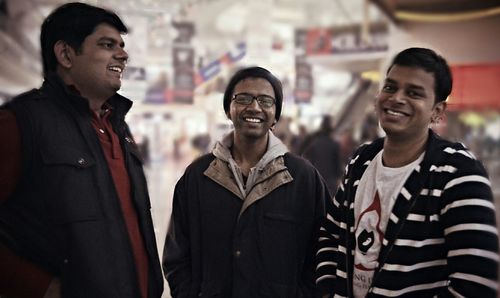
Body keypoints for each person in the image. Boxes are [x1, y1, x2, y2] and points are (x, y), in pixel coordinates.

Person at [0, 3, 163, 297]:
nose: (123, 55)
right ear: (65, 54)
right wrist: (39, 286)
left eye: (122, 46)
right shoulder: (20, 124)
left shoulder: (118, 129)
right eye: (107, 44)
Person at [316, 47, 498, 297]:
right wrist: (327, 289)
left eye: (414, 93)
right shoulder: (361, 161)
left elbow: (475, 282)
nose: (397, 98)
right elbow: (330, 232)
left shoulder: (457, 172)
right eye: (390, 87)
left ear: (437, 111)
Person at [163, 66, 330, 297]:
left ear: (275, 115)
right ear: (228, 110)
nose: (254, 107)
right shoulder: (198, 176)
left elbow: (325, 252)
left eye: (266, 101)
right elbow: (177, 256)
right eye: (243, 98)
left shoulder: (303, 178)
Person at [302, 115, 343, 194]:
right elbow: (337, 166)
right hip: (331, 183)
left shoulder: (314, 144)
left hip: (317, 181)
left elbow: (307, 160)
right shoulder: (334, 145)